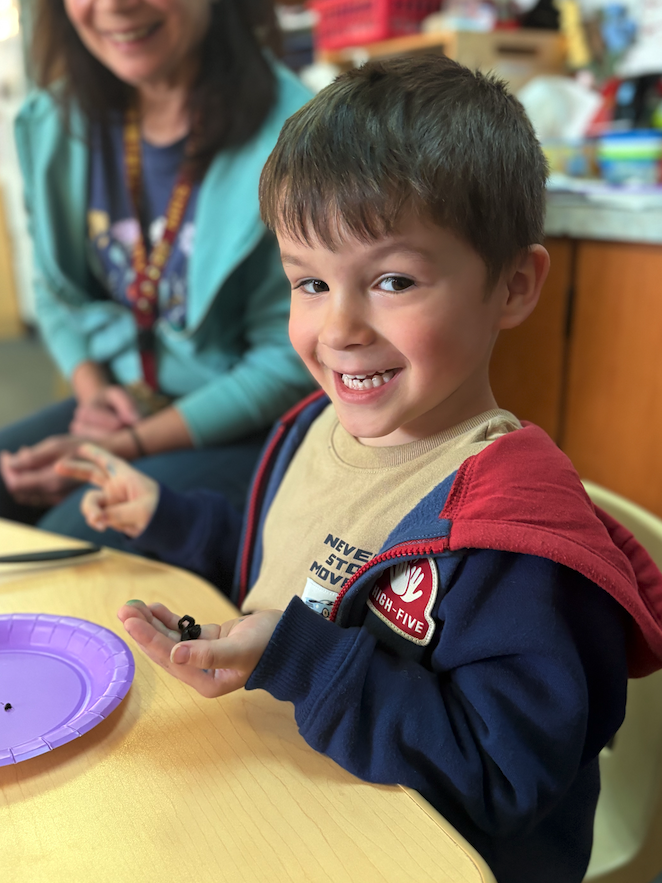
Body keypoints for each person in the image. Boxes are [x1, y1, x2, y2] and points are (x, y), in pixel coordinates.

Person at [57, 56, 662, 882]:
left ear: (514, 285)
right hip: (289, 797)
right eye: (309, 281)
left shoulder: (511, 537)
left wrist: (302, 660)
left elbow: (504, 773)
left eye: (392, 280)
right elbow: (295, 557)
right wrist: (170, 518)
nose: (338, 327)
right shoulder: (318, 426)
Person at [0, 0, 313, 550]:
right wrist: (94, 397)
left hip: (245, 422)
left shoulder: (296, 136)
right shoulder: (50, 123)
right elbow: (55, 292)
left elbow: (289, 360)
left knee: (69, 542)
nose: (115, 6)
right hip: (124, 400)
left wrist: (125, 446)